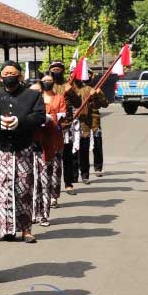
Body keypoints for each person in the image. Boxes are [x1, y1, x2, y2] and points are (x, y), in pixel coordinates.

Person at [0, 61, 47, 244]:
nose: (9, 76)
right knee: (3, 189)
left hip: (23, 146)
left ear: (19, 76)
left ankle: (26, 229)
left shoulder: (32, 95)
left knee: (24, 188)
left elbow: (40, 116)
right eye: (6, 73)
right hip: (1, 147)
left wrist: (21, 121)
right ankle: (7, 229)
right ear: (1, 76)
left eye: (13, 73)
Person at [32, 73, 67, 227]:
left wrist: (44, 121)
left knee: (44, 182)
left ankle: (44, 215)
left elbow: (53, 124)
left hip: (45, 149)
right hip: (29, 151)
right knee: (32, 184)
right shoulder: (26, 108)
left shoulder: (50, 107)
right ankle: (34, 213)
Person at [47, 61, 82, 195]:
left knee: (67, 156)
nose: (56, 71)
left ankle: (68, 184)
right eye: (53, 69)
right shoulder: (46, 86)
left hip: (65, 126)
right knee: (50, 157)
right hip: (49, 126)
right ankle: (50, 186)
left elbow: (78, 103)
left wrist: (71, 91)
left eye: (58, 69)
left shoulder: (68, 85)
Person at [73, 77, 109, 181]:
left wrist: (97, 95)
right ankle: (76, 173)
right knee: (76, 147)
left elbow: (105, 103)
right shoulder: (71, 88)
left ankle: (98, 167)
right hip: (78, 121)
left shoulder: (94, 89)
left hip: (94, 121)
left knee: (96, 144)